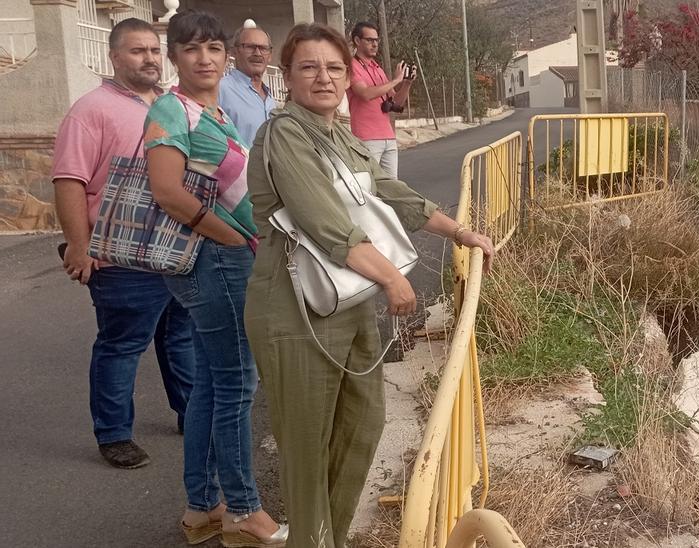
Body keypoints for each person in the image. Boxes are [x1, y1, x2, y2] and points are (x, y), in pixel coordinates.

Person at [245, 23, 494, 547]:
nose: (324, 77)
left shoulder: (340, 135)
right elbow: (323, 222)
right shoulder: (285, 133)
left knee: (363, 424)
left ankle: (326, 537)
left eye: (335, 67)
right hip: (297, 304)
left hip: (350, 296)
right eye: (309, 67)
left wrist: (462, 232)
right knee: (308, 442)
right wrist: (391, 279)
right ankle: (311, 540)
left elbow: (394, 194)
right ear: (286, 76)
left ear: (349, 75)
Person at [141, 10, 286, 547]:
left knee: (210, 382)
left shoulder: (213, 110)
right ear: (175, 56)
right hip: (212, 261)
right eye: (192, 48)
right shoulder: (170, 109)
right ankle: (244, 509)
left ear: (225, 59)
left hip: (223, 258)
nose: (204, 57)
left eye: (213, 49)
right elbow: (167, 190)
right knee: (236, 383)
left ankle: (203, 506)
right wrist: (228, 237)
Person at [50, 17, 196, 470]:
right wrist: (79, 245)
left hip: (174, 250)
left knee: (181, 336)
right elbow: (69, 180)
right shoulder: (90, 110)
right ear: (113, 57)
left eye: (154, 50)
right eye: (137, 51)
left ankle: (191, 413)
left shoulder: (173, 106)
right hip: (120, 253)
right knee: (122, 343)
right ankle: (113, 433)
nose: (149, 58)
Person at [346, 21, 414, 178]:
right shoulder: (352, 66)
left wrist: (406, 83)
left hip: (388, 137)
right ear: (357, 41)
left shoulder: (377, 68)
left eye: (376, 40)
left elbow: (396, 103)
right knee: (371, 186)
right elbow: (365, 94)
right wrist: (396, 80)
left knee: (393, 188)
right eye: (370, 40)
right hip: (367, 138)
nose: (375, 44)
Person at [220, 21, 277, 145]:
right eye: (250, 47)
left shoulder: (269, 98)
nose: (257, 53)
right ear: (234, 51)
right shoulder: (221, 90)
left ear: (270, 55)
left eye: (263, 48)